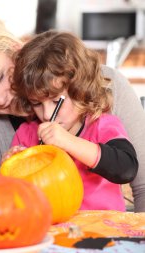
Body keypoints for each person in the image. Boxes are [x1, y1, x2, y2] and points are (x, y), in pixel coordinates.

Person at [0, 9, 145, 212]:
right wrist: (9, 168)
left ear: (18, 52)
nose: (0, 100)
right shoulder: (20, 132)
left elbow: (135, 177)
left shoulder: (103, 103)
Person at [8, 30, 138, 211]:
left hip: (103, 229)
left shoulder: (102, 125)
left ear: (81, 90)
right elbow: (15, 199)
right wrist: (12, 167)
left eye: (56, 101)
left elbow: (126, 169)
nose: (46, 114)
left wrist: (68, 141)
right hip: (51, 230)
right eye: (36, 103)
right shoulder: (26, 134)